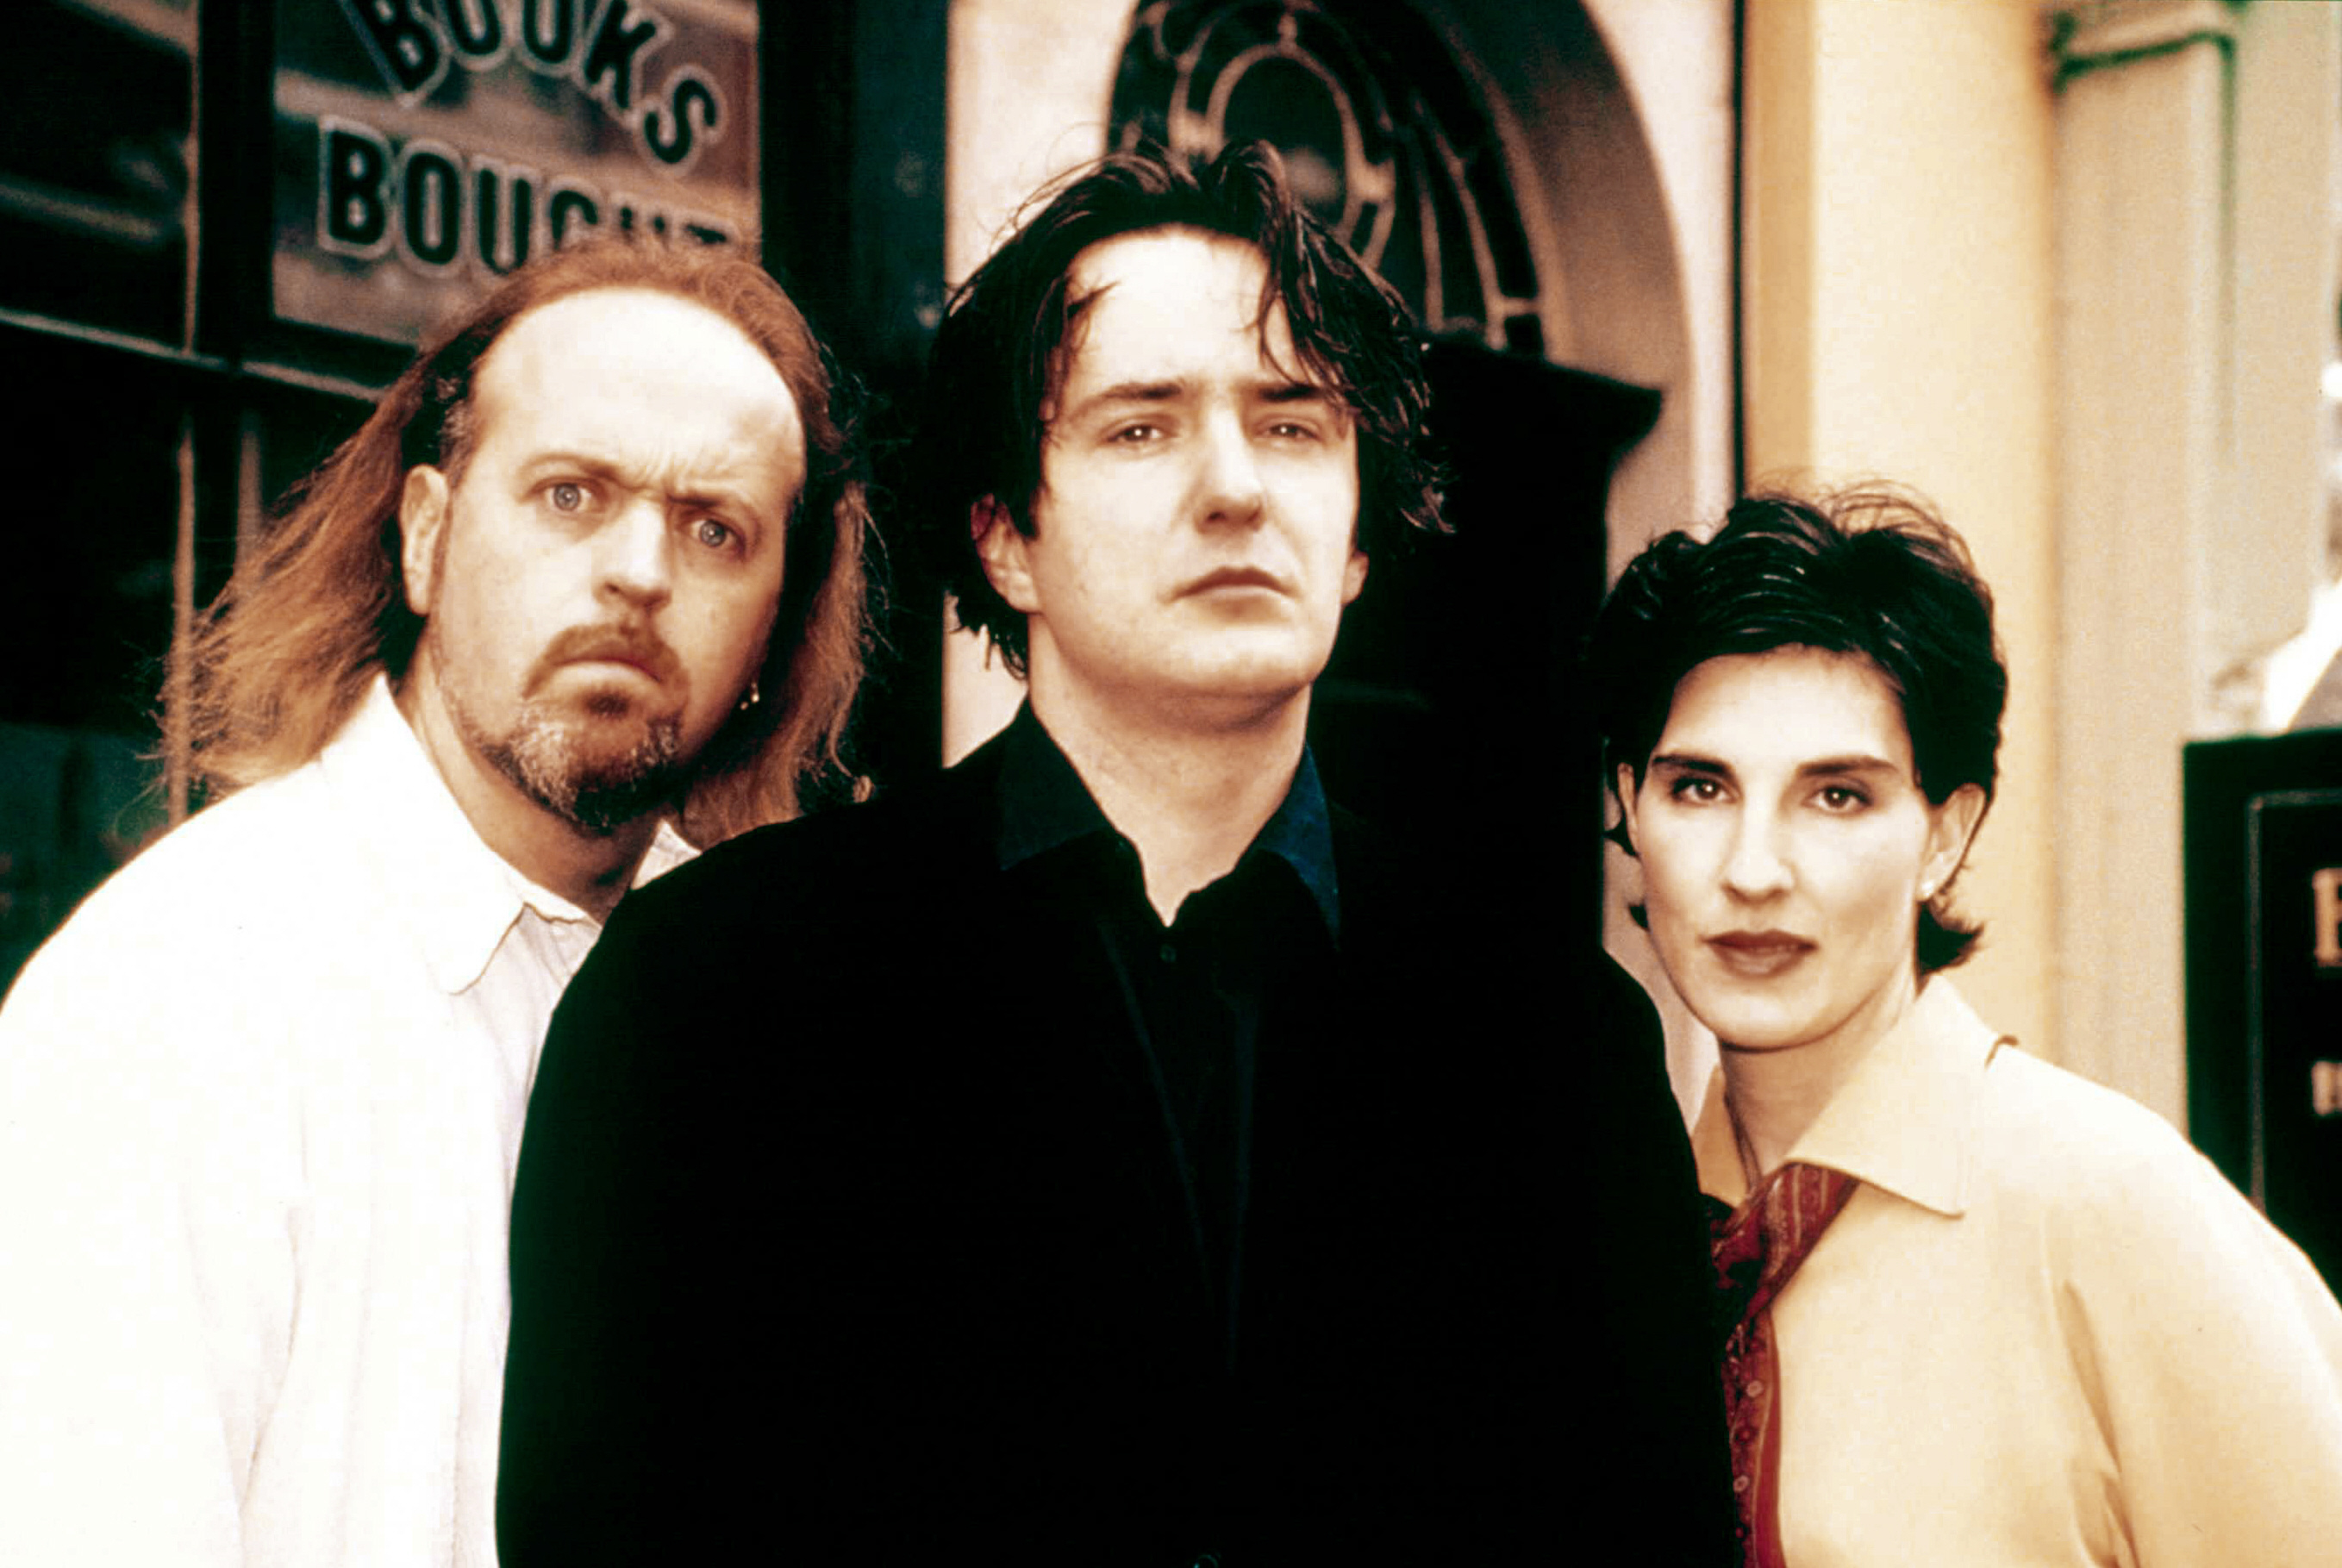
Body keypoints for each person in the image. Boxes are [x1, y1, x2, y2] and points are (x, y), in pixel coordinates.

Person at [498, 142, 1733, 1563]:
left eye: (1292, 424)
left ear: (1355, 546)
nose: (1233, 489)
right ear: (1006, 536)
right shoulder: (713, 994)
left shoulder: (1553, 1037)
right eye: (1140, 427)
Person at [0, 237, 873, 1566]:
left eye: (715, 528)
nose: (641, 572)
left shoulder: (785, 1013)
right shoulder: (172, 996)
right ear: (424, 537)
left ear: (773, 632)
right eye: (571, 494)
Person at [1588, 486, 2342, 1566]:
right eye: (1699, 787)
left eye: (1835, 796)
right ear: (1629, 803)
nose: (1751, 870)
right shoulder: (1630, 1230)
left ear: (1944, 835)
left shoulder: (2112, 1213)